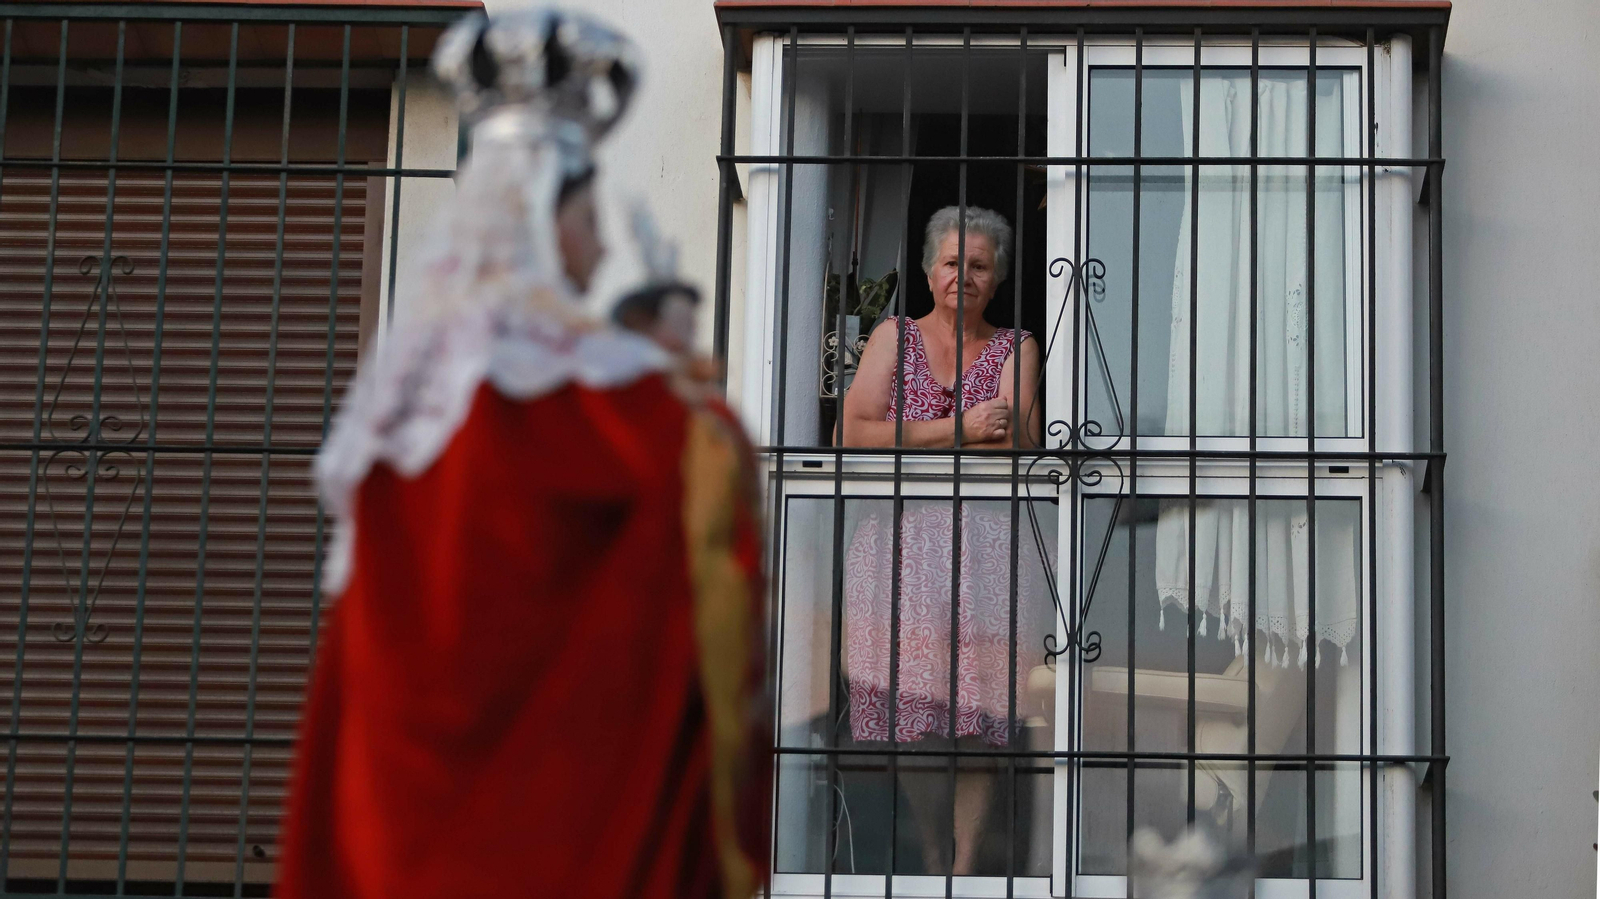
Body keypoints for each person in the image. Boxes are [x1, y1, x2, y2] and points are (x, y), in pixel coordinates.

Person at [274, 11, 768, 899]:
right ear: (542, 216)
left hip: (401, 843)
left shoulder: (402, 421)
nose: (605, 245)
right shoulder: (625, 413)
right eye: (587, 217)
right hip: (572, 840)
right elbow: (701, 534)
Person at [838, 205, 1051, 874]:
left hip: (987, 559)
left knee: (979, 721)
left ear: (998, 278)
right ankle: (931, 845)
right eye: (954, 261)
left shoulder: (1018, 346)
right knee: (915, 720)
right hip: (897, 560)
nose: (966, 275)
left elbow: (1023, 443)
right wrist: (961, 427)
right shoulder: (891, 339)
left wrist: (920, 433)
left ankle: (960, 865)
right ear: (931, 271)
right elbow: (854, 437)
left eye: (980, 265)